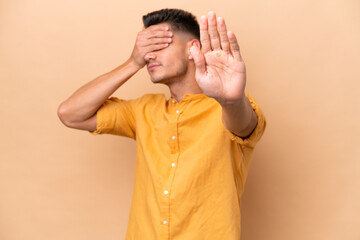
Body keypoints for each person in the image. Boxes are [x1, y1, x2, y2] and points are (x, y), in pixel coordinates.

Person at [57, 8, 266, 240]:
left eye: (158, 46)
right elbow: (70, 114)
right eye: (145, 49)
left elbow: (243, 124)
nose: (149, 56)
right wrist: (131, 63)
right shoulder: (143, 110)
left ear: (192, 48)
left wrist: (231, 100)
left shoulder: (229, 108)